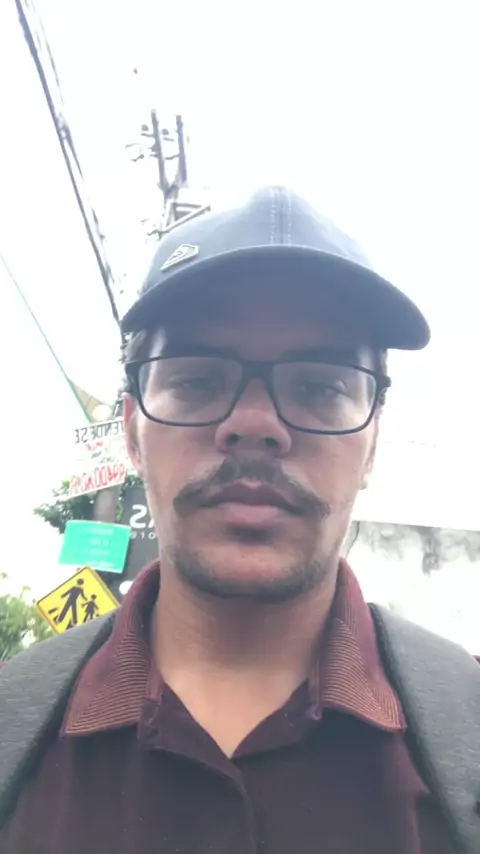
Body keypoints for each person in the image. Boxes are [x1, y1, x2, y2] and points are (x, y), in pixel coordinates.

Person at [1, 187, 456, 854]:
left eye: (319, 386)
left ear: (372, 445)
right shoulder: (14, 729)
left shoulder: (465, 731)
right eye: (197, 381)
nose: (254, 424)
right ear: (132, 432)